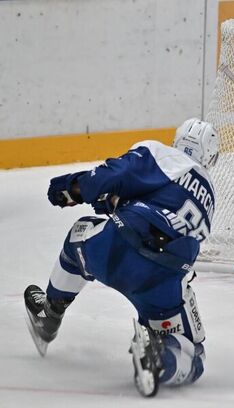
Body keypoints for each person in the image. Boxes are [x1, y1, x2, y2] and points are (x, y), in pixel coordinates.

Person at [24, 118, 218, 397]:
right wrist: (116, 201)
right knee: (194, 356)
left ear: (177, 141)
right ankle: (159, 357)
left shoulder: (162, 154)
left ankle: (50, 314)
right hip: (164, 279)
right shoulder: (209, 194)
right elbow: (165, 209)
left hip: (117, 249)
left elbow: (113, 175)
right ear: (209, 155)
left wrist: (72, 188)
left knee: (80, 233)